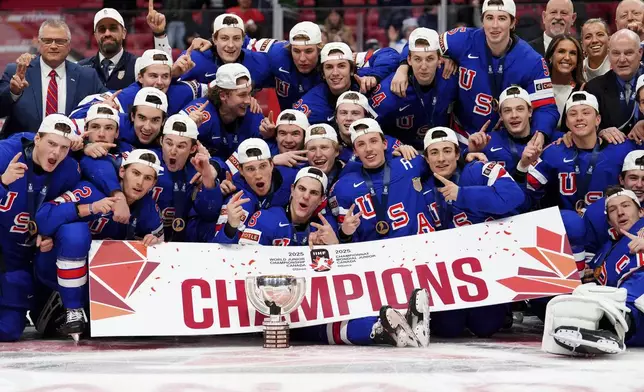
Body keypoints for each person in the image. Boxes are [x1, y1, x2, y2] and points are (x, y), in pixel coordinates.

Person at [238, 166, 431, 348]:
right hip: (271, 311)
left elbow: (345, 276)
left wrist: (338, 244)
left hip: (313, 306)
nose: (305, 196)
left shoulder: (325, 226)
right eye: (302, 189)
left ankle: (397, 328)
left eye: (313, 193)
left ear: (321, 199)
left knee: (332, 317)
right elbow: (240, 268)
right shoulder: (266, 218)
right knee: (319, 323)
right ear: (292, 189)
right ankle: (389, 328)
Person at [34, 149, 164, 341]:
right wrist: (90, 208)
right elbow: (43, 218)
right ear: (122, 172)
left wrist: (153, 242)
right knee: (75, 233)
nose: (139, 183)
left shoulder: (147, 207)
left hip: (94, 285)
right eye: (135, 173)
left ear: (153, 184)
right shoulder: (89, 190)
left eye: (147, 178)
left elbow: (161, 241)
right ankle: (72, 308)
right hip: (51, 273)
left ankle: (81, 310)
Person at [393, 0, 559, 144]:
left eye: (501, 18)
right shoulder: (463, 39)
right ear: (482, 21)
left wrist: (541, 134)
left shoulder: (532, 60)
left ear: (512, 23)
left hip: (507, 141)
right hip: (461, 136)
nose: (494, 25)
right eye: (489, 18)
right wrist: (403, 67)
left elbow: (546, 107)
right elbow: (421, 42)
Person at [420, 126, 524, 337]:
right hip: (448, 275)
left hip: (488, 267)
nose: (441, 158)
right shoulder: (420, 188)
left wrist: (462, 194)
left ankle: (502, 308)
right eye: (434, 152)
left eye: (447, 151)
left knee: (485, 327)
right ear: (426, 159)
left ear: (458, 153)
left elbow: (514, 196)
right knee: (449, 329)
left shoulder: (477, 170)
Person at [0, 114, 81, 341]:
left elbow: (68, 208)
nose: (56, 153)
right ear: (37, 139)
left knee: (8, 331)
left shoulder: (69, 170)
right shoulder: (6, 153)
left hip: (23, 257)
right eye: (51, 144)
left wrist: (51, 234)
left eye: (64, 147)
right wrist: (2, 182)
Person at [542, 186, 644, 356]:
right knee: (580, 295)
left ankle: (612, 326)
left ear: (641, 212)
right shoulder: (602, 254)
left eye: (626, 206)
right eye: (613, 209)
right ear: (609, 221)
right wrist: (590, 278)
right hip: (630, 318)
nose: (620, 212)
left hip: (636, 302)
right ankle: (603, 329)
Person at [524, 91, 635, 212]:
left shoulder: (622, 149)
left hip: (609, 225)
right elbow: (528, 194)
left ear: (598, 119)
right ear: (566, 122)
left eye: (586, 112)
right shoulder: (552, 153)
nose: (579, 118)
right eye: (572, 114)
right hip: (567, 224)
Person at [328, 118, 435, 242]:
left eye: (373, 141)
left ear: (384, 144)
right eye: (361, 144)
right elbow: (342, 241)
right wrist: (344, 233)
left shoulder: (410, 163)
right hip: (379, 257)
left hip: (425, 248)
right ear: (355, 152)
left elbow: (445, 166)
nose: (368, 149)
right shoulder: (343, 187)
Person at [0, 20, 106, 137]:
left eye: (60, 41)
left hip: (71, 150)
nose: (54, 46)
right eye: (47, 41)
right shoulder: (17, 71)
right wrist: (13, 93)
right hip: (23, 149)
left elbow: (108, 105)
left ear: (69, 46)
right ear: (39, 44)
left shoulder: (87, 76)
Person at [370, 27, 458, 150]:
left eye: (430, 59)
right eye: (417, 59)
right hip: (401, 156)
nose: (423, 66)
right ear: (409, 60)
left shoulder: (452, 77)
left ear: (440, 60)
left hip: (442, 150)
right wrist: (395, 147)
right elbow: (369, 131)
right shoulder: (387, 92)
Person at [71, 49, 206, 122]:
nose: (159, 82)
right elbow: (74, 117)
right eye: (153, 76)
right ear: (140, 77)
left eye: (165, 76)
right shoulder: (123, 98)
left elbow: (216, 87)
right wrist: (98, 109)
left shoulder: (180, 91)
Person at [211, 138, 297, 244]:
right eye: (250, 169)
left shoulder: (291, 178)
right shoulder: (237, 196)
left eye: (263, 166)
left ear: (272, 164)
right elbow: (218, 247)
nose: (258, 175)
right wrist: (230, 227)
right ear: (241, 170)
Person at [294, 42, 397, 125]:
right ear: (323, 74)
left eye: (341, 66)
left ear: (352, 70)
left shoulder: (366, 75)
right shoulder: (311, 103)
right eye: (329, 67)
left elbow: (390, 54)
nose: (335, 73)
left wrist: (375, 77)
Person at [181, 63, 264, 161]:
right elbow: (170, 143)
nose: (248, 101)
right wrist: (187, 130)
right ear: (223, 96)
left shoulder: (253, 113)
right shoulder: (201, 114)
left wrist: (270, 135)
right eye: (242, 95)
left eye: (249, 94)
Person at [77, 6, 172, 91]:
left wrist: (159, 33)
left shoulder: (138, 64)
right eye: (102, 29)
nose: (107, 34)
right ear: (96, 36)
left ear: (124, 33)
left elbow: (163, 67)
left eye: (113, 28)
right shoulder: (80, 68)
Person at [467, 85, 546, 175]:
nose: (514, 115)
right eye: (507, 110)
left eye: (520, 109)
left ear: (530, 111)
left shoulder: (549, 140)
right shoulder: (487, 141)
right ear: (500, 115)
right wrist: (469, 152)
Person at [177, 13, 271, 87]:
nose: (230, 45)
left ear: (243, 40)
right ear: (214, 39)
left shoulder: (257, 62)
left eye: (236, 38)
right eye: (224, 38)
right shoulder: (194, 60)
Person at [584, 29, 644, 136]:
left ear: (640, 52)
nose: (622, 59)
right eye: (616, 53)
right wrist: (600, 131)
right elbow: (581, 124)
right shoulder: (593, 88)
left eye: (628, 53)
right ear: (608, 54)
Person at [583, 150, 644, 254]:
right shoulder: (595, 212)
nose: (639, 185)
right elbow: (589, 255)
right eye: (633, 178)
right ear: (621, 180)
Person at [544, 35, 584, 125]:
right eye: (561, 51)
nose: (567, 57)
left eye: (573, 53)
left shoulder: (585, 89)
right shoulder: (538, 87)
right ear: (550, 56)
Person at [304, 123, 344, 191]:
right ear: (306, 154)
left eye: (324, 147)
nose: (318, 154)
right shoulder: (296, 177)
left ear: (337, 151)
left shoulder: (349, 173)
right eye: (312, 149)